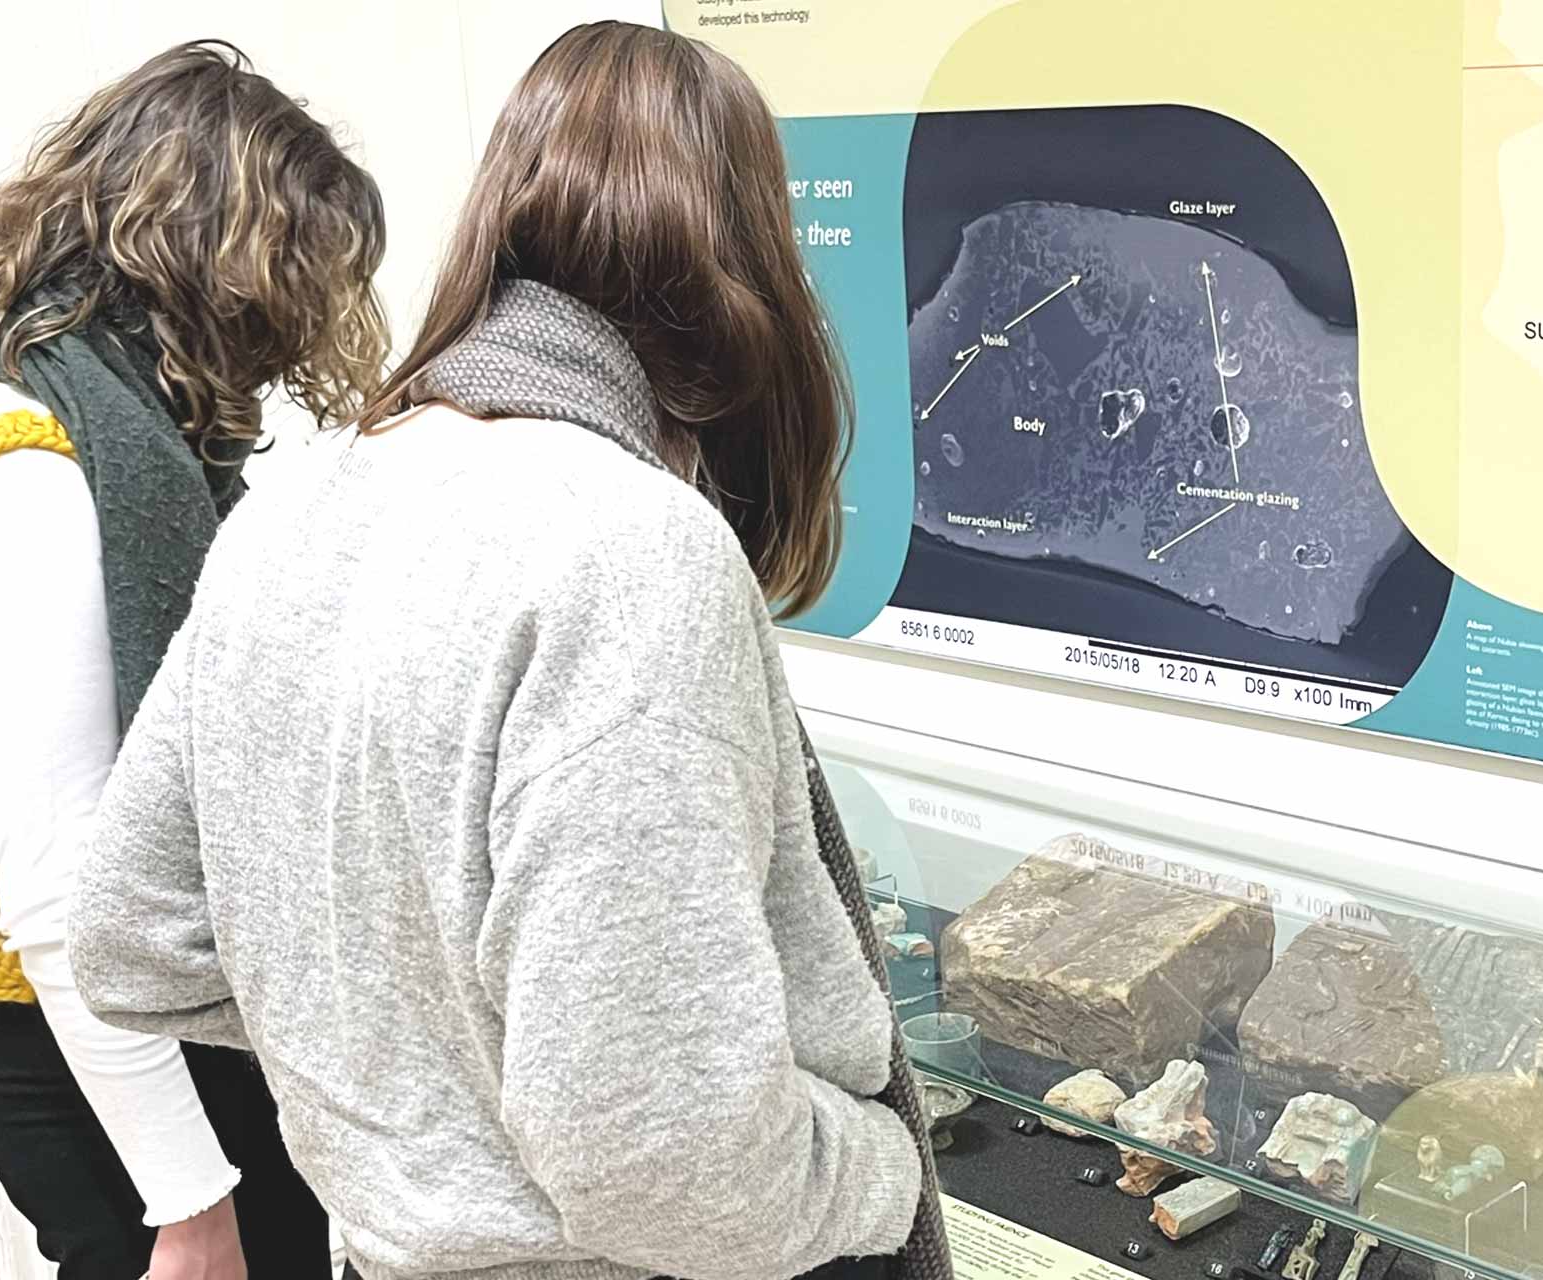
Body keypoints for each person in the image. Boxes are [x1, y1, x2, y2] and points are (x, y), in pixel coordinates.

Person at [68, 20, 952, 1280]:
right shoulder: (628, 549)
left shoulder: (298, 507)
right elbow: (669, 1163)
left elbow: (133, 931)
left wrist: (409, 1052)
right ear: (750, 269)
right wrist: (880, 1164)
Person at [0, 41, 388, 1279]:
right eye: (294, 282)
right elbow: (68, 882)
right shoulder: (26, 478)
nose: (299, 330)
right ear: (215, 267)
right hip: (117, 1084)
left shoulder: (88, 433)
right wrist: (191, 1198)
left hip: (160, 1046)